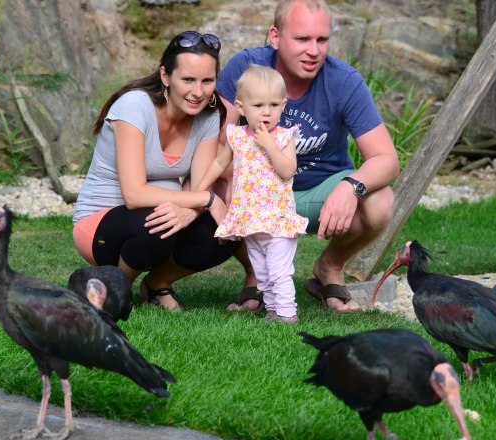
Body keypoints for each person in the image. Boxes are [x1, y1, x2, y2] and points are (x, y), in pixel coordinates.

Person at [215, 0, 400, 313]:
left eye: (322, 40)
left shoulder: (344, 81)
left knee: (380, 201)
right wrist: (233, 179)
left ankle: (330, 267)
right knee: (213, 185)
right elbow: (218, 141)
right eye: (302, 39)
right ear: (275, 37)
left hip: (317, 192)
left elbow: (387, 159)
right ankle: (255, 275)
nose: (313, 51)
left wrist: (350, 187)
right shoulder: (247, 68)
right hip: (258, 192)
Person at [73, 31, 239, 311]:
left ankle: (156, 284)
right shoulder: (134, 106)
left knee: (227, 230)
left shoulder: (208, 115)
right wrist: (207, 200)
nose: (198, 92)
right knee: (158, 221)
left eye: (207, 81)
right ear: (165, 76)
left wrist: (190, 211)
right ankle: (115, 287)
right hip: (101, 224)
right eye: (188, 79)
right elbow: (134, 196)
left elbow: (201, 183)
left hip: (159, 217)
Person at [194, 65, 308, 323]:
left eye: (273, 105)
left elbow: (288, 170)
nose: (266, 112)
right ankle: (272, 310)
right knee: (262, 272)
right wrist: (200, 188)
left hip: (277, 220)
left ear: (283, 105)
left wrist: (269, 146)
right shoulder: (237, 137)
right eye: (257, 105)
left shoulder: (283, 137)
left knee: (279, 271)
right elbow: (218, 163)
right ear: (241, 107)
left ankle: (287, 313)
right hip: (250, 220)